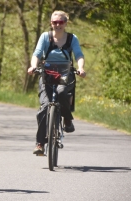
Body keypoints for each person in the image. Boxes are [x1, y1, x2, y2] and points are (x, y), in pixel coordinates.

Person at [27, 10, 86, 154]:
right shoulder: (45, 37)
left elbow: (78, 54)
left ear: (66, 23)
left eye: (61, 22)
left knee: (61, 92)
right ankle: (40, 144)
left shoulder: (72, 38)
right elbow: (37, 53)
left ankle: (67, 118)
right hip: (47, 73)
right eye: (55, 22)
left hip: (66, 73)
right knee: (45, 107)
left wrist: (81, 68)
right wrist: (33, 66)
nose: (58, 25)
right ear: (51, 23)